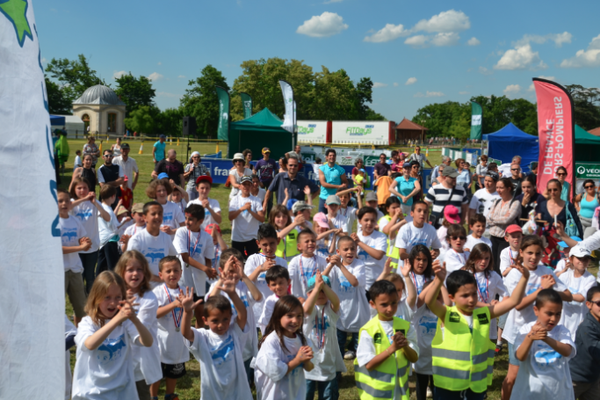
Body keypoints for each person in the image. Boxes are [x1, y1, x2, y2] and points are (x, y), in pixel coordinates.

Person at [426, 262, 530, 400]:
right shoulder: (447, 315)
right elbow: (429, 301)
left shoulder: (483, 314)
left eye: (474, 294)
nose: (471, 299)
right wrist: (438, 280)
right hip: (448, 386)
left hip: (475, 386)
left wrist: (525, 278)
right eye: (465, 295)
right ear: (452, 297)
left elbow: (513, 301)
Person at [501, 235, 572, 400]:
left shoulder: (546, 271)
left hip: (543, 329)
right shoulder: (515, 274)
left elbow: (568, 295)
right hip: (518, 329)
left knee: (534, 371)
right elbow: (517, 304)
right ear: (521, 252)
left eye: (538, 253)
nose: (533, 257)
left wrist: (552, 291)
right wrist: (541, 290)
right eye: (529, 253)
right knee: (514, 374)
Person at [71, 271, 153, 400]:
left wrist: (135, 320)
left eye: (118, 297)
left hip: (121, 391)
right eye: (107, 297)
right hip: (92, 393)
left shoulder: (125, 322)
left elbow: (148, 342)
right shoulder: (88, 323)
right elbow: (90, 344)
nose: (113, 303)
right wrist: (117, 320)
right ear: (95, 297)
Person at [180, 280, 253, 400]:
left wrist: (233, 294)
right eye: (215, 321)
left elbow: (243, 315)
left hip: (236, 391)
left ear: (231, 317)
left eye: (225, 319)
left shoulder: (233, 332)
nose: (221, 325)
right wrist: (187, 313)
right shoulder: (203, 336)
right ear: (205, 320)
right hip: (212, 393)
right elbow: (186, 333)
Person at [354, 280, 419, 400]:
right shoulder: (368, 330)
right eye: (384, 304)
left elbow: (414, 358)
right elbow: (369, 364)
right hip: (377, 393)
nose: (390, 308)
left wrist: (404, 346)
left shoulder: (406, 326)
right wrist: (393, 348)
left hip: (399, 392)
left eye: (394, 303)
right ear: (373, 304)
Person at [207, 249, 263, 383]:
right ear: (221, 270)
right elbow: (209, 302)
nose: (234, 275)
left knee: (243, 381)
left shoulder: (244, 286)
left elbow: (258, 297)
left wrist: (243, 274)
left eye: (237, 270)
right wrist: (222, 279)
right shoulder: (216, 286)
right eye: (230, 271)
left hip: (246, 344)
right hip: (226, 345)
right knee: (229, 380)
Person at [511, 289, 576, 400]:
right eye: (549, 314)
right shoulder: (526, 329)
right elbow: (520, 357)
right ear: (536, 310)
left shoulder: (562, 331)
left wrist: (546, 338)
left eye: (558, 314)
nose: (554, 319)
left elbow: (567, 351)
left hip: (558, 392)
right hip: (531, 392)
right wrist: (530, 338)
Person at [114, 251, 162, 399]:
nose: (135, 273)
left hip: (140, 364)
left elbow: (140, 330)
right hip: (118, 360)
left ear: (145, 272)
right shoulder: (114, 296)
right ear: (121, 272)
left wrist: (124, 314)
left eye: (139, 269)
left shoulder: (149, 298)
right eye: (130, 269)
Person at [254, 296, 314, 400]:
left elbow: (310, 368)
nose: (295, 321)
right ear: (278, 317)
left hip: (296, 393)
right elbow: (276, 372)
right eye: (290, 316)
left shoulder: (303, 340)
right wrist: (298, 359)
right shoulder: (272, 341)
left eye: (299, 316)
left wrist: (307, 361)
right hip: (276, 395)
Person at [323, 235, 370, 361]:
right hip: (340, 312)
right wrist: (330, 265)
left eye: (352, 249)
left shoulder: (359, 264)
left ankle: (360, 361)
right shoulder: (334, 267)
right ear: (338, 252)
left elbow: (354, 282)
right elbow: (321, 280)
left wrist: (340, 266)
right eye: (346, 249)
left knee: (360, 344)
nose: (349, 252)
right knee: (339, 342)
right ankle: (338, 364)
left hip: (357, 311)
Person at [303, 272, 346, 400]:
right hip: (308, 362)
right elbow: (306, 310)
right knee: (306, 394)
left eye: (323, 291)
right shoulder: (305, 308)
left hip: (328, 360)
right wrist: (317, 287)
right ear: (307, 294)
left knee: (328, 395)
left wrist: (323, 286)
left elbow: (336, 301)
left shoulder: (331, 309)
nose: (320, 294)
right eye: (315, 292)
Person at [151, 257, 189, 399]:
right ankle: (152, 396)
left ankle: (169, 395)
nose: (172, 274)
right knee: (156, 373)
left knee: (174, 369)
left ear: (181, 272)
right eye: (168, 271)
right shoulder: (158, 292)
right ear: (161, 275)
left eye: (176, 270)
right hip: (160, 341)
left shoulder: (184, 290)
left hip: (177, 340)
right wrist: (173, 305)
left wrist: (187, 306)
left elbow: (189, 313)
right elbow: (154, 314)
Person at [174, 204, 216, 327]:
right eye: (186, 218)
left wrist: (209, 270)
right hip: (183, 278)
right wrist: (205, 268)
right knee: (183, 311)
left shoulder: (207, 237)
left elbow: (209, 259)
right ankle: (183, 338)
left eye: (190, 219)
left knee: (200, 312)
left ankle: (198, 338)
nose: (187, 221)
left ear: (200, 221)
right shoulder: (181, 232)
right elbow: (185, 257)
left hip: (199, 280)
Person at [462, 244, 509, 347]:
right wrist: (488, 306)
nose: (483, 261)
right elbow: (465, 299)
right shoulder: (466, 274)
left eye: (486, 258)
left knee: (486, 351)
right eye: (480, 258)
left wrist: (499, 305)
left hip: (488, 320)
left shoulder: (494, 276)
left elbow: (506, 295)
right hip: (470, 318)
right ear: (473, 257)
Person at [69, 177, 111, 293]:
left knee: (90, 275)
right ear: (74, 189)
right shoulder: (72, 202)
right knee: (79, 276)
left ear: (89, 189)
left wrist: (95, 203)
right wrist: (83, 199)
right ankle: (79, 302)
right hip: (76, 246)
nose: (82, 191)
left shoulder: (94, 203)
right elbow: (67, 207)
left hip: (92, 246)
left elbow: (107, 218)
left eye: (85, 188)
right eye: (79, 188)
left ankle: (90, 301)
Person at [58, 189, 91, 326]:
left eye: (67, 200)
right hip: (59, 271)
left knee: (81, 308)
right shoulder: (53, 223)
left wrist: (86, 242)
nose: (65, 203)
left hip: (75, 269)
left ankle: (81, 337)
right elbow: (56, 250)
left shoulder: (75, 221)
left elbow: (84, 242)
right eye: (60, 201)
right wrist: (80, 248)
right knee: (58, 308)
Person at [244, 224, 289, 325]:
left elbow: (286, 286)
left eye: (272, 243)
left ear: (278, 241)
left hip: (276, 310)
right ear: (258, 243)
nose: (269, 248)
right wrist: (260, 269)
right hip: (256, 310)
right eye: (265, 244)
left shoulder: (282, 262)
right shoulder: (253, 259)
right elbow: (246, 281)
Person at [127, 201, 178, 285]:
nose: (157, 217)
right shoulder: (136, 240)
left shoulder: (166, 238)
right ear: (144, 217)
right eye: (153, 214)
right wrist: (158, 279)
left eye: (160, 214)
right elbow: (131, 268)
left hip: (163, 289)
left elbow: (173, 259)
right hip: (143, 289)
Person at [555, 246, 597, 340]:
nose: (582, 261)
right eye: (579, 258)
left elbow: (581, 298)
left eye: (586, 259)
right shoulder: (564, 277)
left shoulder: (590, 279)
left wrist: (559, 295)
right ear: (570, 259)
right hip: (563, 321)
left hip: (579, 322)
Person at [569, 286, 600, 400]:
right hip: (576, 378)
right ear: (588, 305)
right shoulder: (586, 326)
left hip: (594, 378)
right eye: (599, 303)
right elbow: (596, 351)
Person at [487, 178, 521, 272]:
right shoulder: (497, 202)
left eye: (501, 188)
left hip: (505, 239)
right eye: (497, 187)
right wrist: (499, 219)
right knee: (493, 264)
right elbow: (488, 218)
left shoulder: (515, 203)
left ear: (509, 188)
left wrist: (493, 218)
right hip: (493, 237)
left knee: (501, 265)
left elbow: (508, 219)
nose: (498, 190)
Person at [538, 179, 583, 248]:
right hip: (545, 245)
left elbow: (577, 223)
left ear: (560, 189)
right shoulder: (542, 205)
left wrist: (580, 241)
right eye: (550, 190)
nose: (552, 192)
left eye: (555, 189)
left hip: (564, 244)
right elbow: (538, 226)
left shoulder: (568, 206)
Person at [229, 175, 265, 256]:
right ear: (240, 186)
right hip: (237, 237)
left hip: (252, 237)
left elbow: (262, 219)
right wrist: (241, 209)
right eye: (244, 184)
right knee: (237, 263)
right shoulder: (235, 199)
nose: (246, 187)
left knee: (253, 262)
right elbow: (230, 217)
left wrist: (250, 211)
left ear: (251, 186)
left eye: (248, 184)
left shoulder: (256, 200)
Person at [354, 207, 388, 290]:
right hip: (361, 282)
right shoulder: (356, 237)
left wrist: (359, 243)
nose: (369, 223)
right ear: (359, 221)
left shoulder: (381, 236)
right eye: (366, 220)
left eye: (372, 220)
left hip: (378, 280)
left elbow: (379, 255)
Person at [288, 229, 328, 299]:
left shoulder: (321, 260)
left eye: (313, 241)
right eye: (307, 241)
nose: (310, 243)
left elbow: (327, 277)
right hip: (299, 300)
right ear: (299, 246)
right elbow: (288, 278)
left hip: (316, 299)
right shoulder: (295, 261)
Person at [258, 266, 291, 334]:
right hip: (275, 334)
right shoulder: (270, 301)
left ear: (288, 282)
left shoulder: (293, 300)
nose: (278, 287)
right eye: (273, 284)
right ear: (269, 286)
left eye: (281, 283)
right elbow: (266, 321)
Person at [96, 185, 121, 274]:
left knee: (101, 266)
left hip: (102, 240)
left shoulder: (100, 208)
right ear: (113, 196)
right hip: (110, 240)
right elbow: (114, 228)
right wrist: (124, 223)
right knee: (112, 267)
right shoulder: (108, 210)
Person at [318, 149, 349, 213]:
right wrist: (339, 186)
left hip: (336, 197)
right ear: (326, 157)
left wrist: (344, 185)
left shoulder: (340, 169)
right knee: (321, 219)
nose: (332, 157)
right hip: (324, 197)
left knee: (334, 220)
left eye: (333, 155)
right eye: (330, 155)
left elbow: (345, 182)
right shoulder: (322, 169)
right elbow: (323, 184)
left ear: (335, 157)